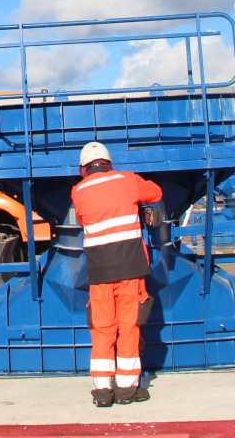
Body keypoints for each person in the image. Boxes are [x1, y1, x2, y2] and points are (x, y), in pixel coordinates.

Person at [70, 141, 163, 408]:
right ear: (109, 163)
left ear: (83, 169)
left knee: (102, 330)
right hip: (131, 269)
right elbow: (155, 193)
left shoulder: (78, 192)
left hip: (98, 273)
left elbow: (84, 221)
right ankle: (126, 390)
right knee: (129, 327)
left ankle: (102, 392)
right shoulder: (127, 180)